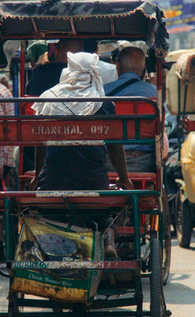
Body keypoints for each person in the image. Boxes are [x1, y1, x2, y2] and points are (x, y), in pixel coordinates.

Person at [29, 52, 133, 259]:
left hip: (53, 182)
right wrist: (124, 178)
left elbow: (40, 144)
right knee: (109, 209)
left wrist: (37, 175)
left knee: (51, 209)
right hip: (93, 182)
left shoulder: (48, 99)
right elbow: (115, 147)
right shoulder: (103, 104)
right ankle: (108, 238)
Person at [103, 47, 161, 173]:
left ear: (117, 65)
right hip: (144, 162)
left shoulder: (103, 92)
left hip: (109, 162)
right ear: (143, 67)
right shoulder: (153, 92)